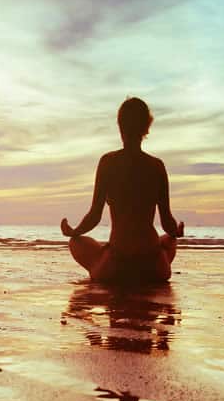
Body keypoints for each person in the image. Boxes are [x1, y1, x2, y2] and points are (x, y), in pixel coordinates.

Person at [60, 97, 185, 285]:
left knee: (76, 243)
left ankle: (101, 265)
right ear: (146, 128)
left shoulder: (108, 162)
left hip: (117, 265)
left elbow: (94, 215)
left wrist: (74, 231)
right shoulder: (157, 166)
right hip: (153, 266)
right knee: (169, 240)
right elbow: (167, 221)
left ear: (120, 125)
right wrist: (177, 231)